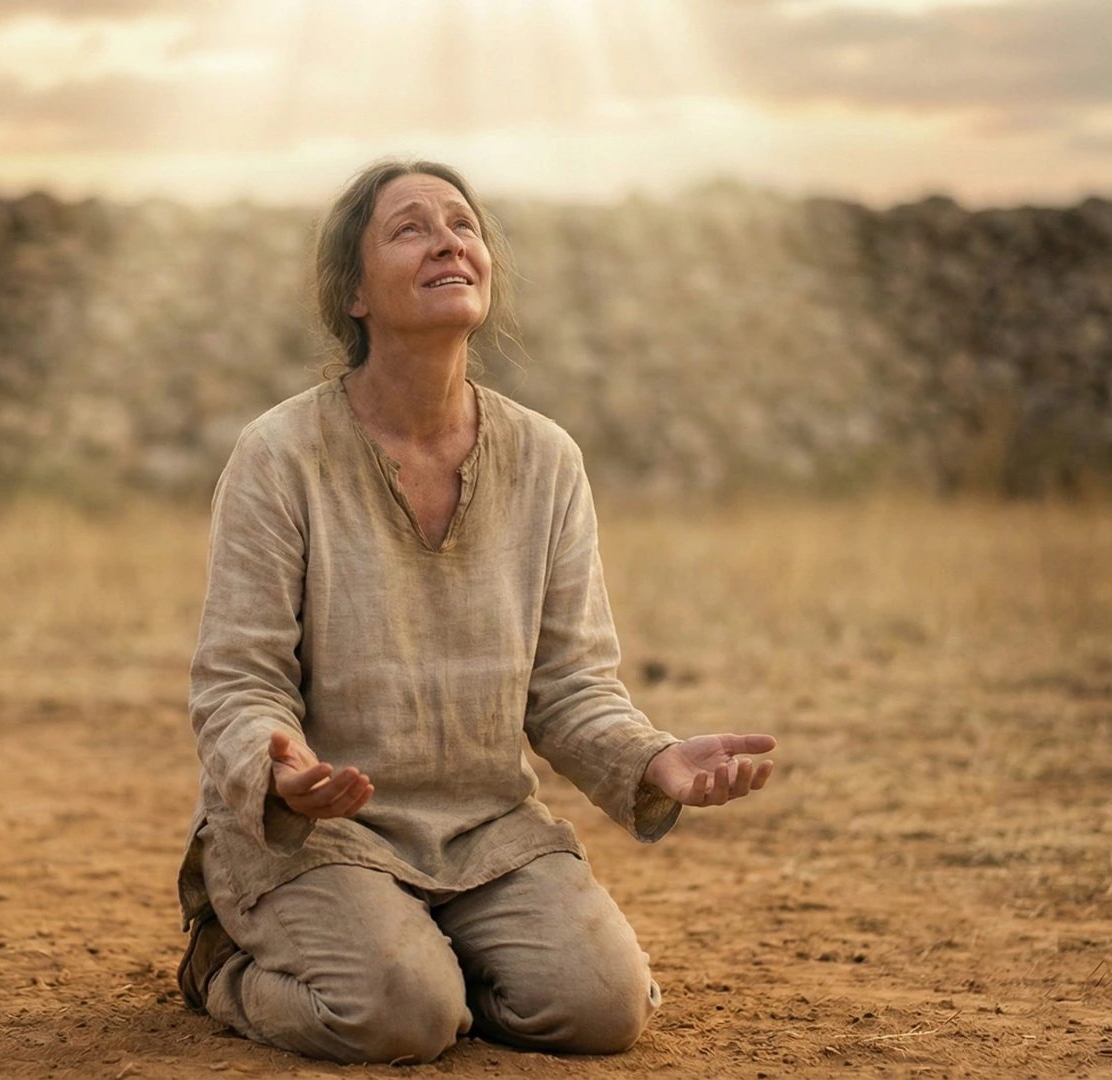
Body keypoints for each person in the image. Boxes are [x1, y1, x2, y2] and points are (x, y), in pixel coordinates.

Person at [175, 158, 777, 1065]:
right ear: (354, 293)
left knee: (602, 1010)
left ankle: (433, 959)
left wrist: (655, 760)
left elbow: (570, 687)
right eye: (409, 228)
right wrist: (283, 769)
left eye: (462, 224)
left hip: (488, 832)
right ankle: (225, 969)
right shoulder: (279, 455)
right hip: (322, 835)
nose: (449, 240)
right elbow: (239, 680)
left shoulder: (546, 459)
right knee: (397, 1019)